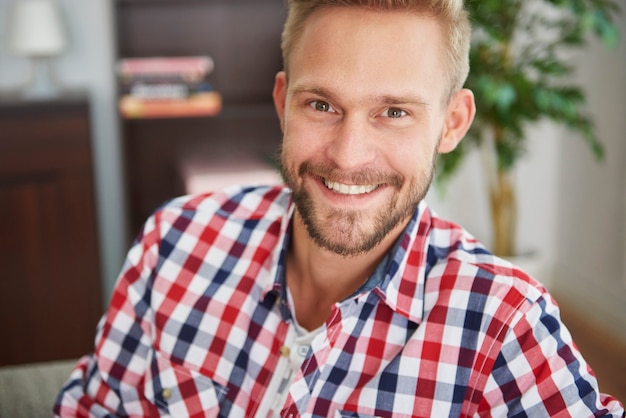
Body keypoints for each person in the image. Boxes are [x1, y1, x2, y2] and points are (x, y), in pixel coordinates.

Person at [55, 0, 624, 416]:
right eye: (322, 104)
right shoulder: (174, 242)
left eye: (394, 112)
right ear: (283, 104)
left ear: (452, 123)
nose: (348, 157)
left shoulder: (503, 326)